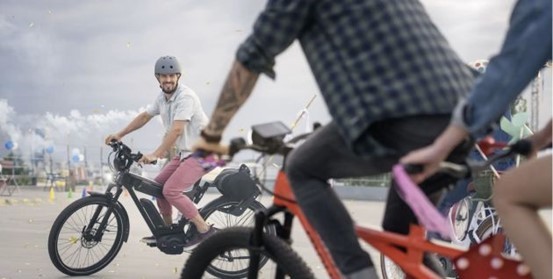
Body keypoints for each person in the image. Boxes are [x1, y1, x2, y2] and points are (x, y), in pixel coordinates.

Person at [192, 1, 478, 278]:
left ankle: (357, 272)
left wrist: (212, 135)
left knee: (302, 166)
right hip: (463, 114)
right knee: (400, 237)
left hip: (404, 113)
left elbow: (252, 55)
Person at [400, 0, 552, 278]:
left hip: (475, 160)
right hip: (487, 162)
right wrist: (542, 138)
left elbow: (507, 71)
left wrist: (440, 146)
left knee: (509, 193)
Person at [105, 55, 216, 246]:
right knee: (157, 188)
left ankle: (204, 230)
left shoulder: (185, 97)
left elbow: (177, 130)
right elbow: (145, 116)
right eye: (164, 76)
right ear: (158, 78)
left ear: (178, 76)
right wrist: (120, 134)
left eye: (172, 76)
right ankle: (168, 231)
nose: (168, 80)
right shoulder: (163, 98)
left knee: (171, 190)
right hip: (185, 153)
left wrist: (156, 154)